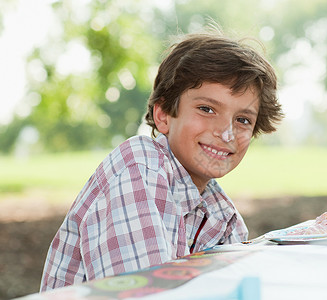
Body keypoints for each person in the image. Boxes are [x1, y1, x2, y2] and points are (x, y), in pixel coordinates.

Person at [40, 28, 283, 291]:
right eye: (206, 109)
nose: (226, 132)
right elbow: (143, 294)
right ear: (163, 116)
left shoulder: (221, 212)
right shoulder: (138, 168)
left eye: (242, 120)